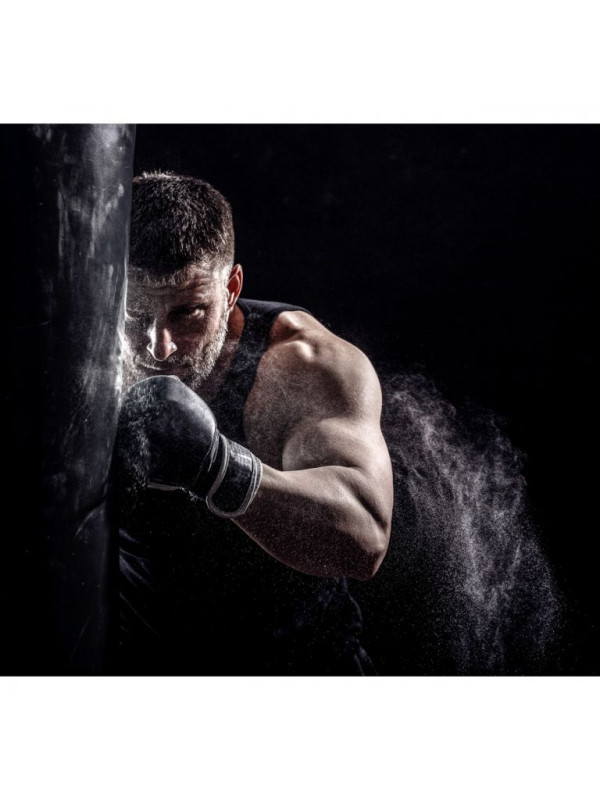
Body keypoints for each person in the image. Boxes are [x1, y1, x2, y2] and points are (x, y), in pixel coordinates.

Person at [115, 171, 394, 675]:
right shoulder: (79, 345)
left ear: (231, 289)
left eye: (188, 312)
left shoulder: (303, 365)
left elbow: (365, 538)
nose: (159, 347)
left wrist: (218, 468)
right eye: (136, 314)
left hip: (300, 665)